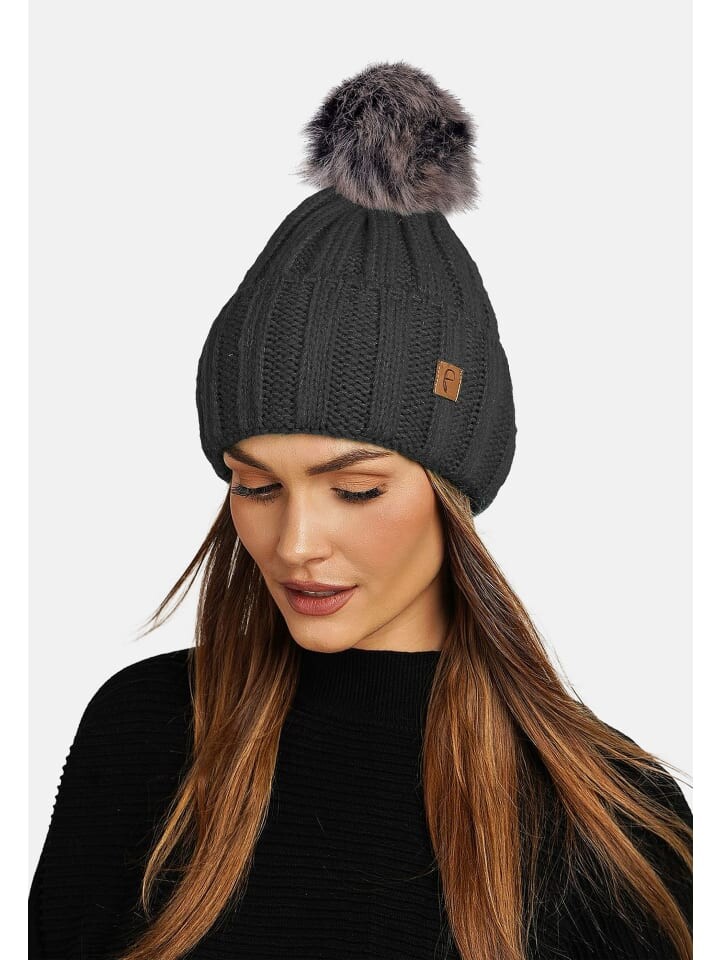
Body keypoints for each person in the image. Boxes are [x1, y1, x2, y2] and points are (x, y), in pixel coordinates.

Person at [28, 60, 692, 960]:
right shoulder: (142, 732)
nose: (294, 544)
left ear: (453, 488)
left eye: (356, 489)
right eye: (255, 485)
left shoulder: (612, 815)